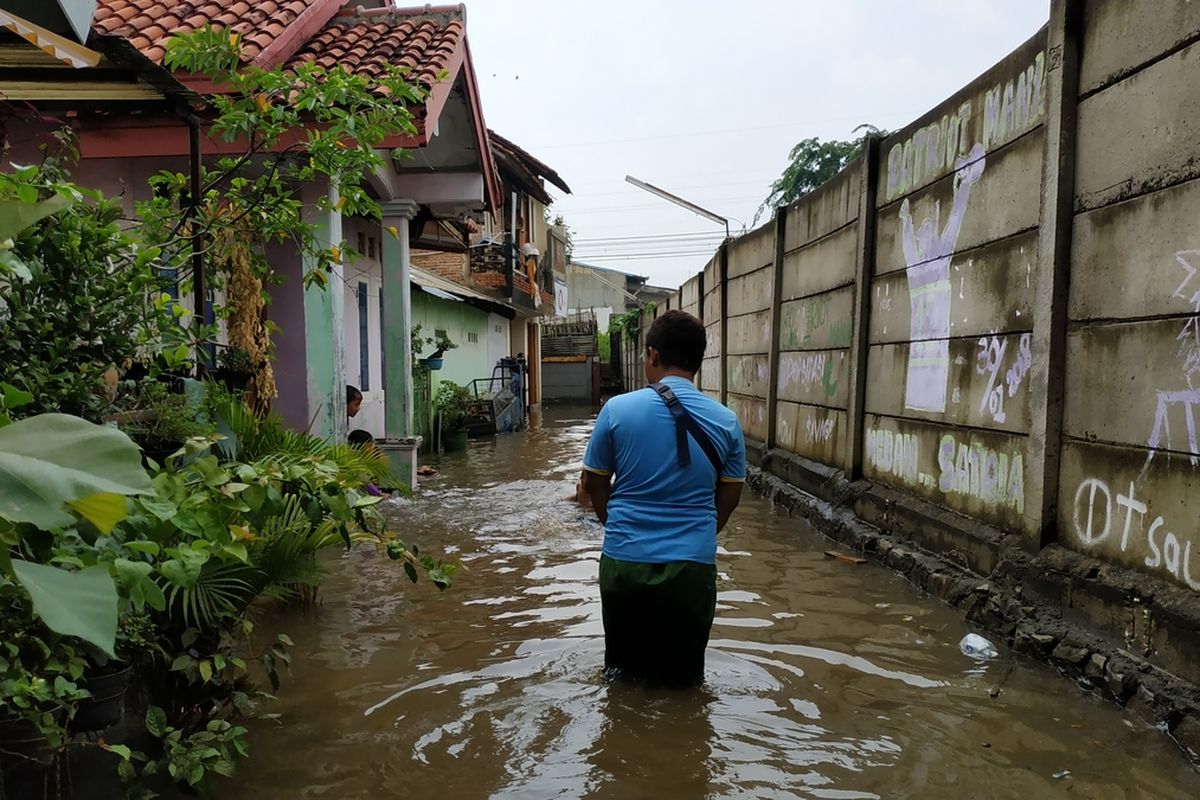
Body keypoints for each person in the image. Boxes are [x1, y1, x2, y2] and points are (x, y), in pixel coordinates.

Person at [582, 309, 745, 687]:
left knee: (620, 681)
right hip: (692, 570)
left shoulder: (616, 410)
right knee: (686, 685)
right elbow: (730, 498)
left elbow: (595, 484)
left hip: (625, 564)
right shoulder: (726, 420)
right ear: (698, 362)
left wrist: (618, 527)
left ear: (653, 355)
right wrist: (700, 533)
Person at [347, 428, 388, 497]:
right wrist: (378, 494)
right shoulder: (354, 462)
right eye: (370, 445)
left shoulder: (367, 459)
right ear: (360, 446)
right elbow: (364, 480)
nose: (372, 448)